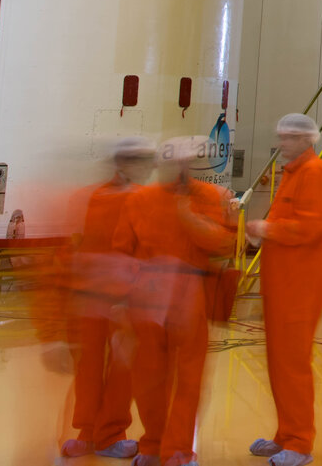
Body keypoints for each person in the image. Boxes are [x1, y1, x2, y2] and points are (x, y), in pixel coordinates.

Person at [114, 137, 235, 466]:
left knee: (188, 378)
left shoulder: (211, 196)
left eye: (185, 164)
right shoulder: (140, 200)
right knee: (148, 376)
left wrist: (190, 218)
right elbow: (122, 252)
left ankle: (179, 448)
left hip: (190, 295)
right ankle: (153, 443)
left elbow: (225, 243)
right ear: (162, 165)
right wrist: (119, 306)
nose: (179, 171)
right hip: (147, 298)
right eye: (173, 165)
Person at [246, 114, 322, 466]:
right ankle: (285, 434)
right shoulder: (293, 173)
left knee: (293, 364)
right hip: (282, 284)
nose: (282, 142)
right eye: (281, 135)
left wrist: (267, 228)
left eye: (289, 137)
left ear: (307, 139)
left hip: (299, 286)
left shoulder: (315, 173)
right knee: (279, 362)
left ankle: (300, 443)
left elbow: (309, 228)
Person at [61, 138, 156, 460]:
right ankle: (102, 434)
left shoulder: (92, 197)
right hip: (114, 299)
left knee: (102, 369)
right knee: (112, 369)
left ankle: (95, 434)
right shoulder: (139, 199)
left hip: (100, 297)